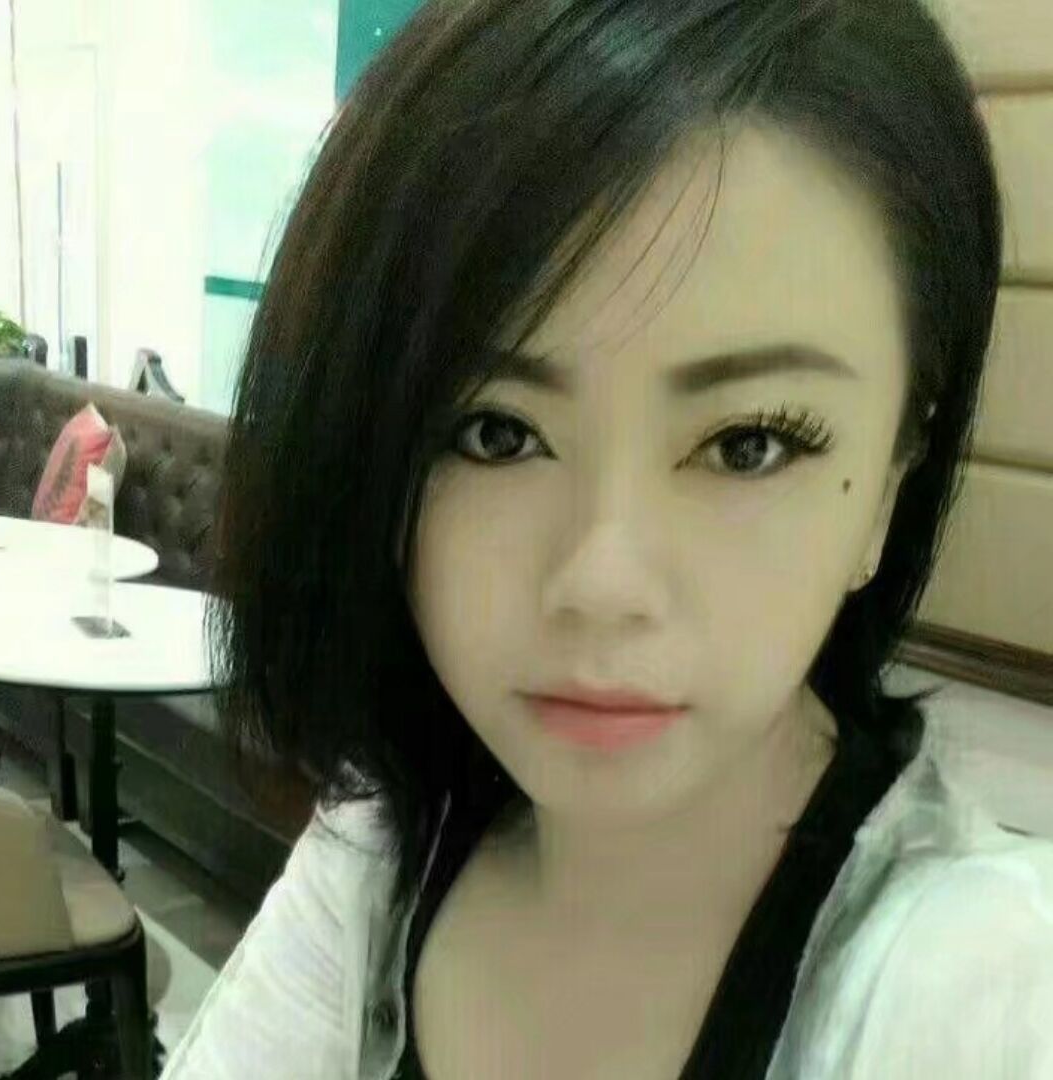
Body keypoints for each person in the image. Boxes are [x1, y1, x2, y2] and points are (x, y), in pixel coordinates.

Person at [161, 0, 1053, 1077]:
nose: (602, 581)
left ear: (891, 484)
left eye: (749, 444)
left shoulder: (985, 992)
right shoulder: (382, 849)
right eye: (495, 433)